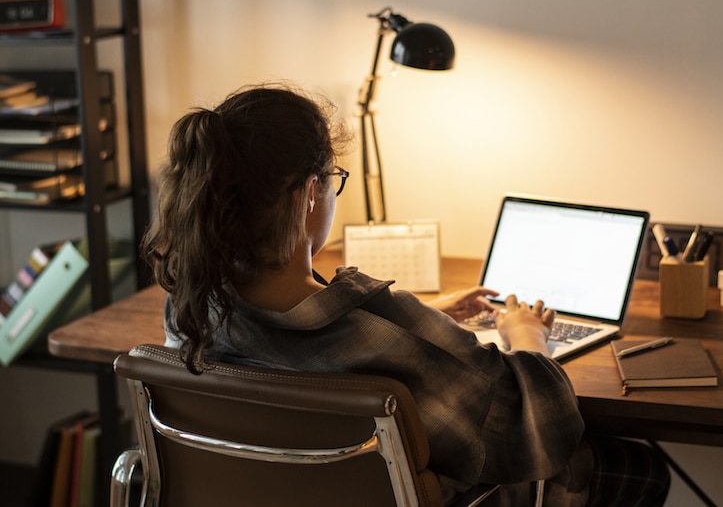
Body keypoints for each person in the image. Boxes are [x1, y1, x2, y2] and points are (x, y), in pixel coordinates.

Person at [142, 83, 670, 506]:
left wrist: (424, 320)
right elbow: (535, 427)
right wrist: (527, 336)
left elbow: (309, 346)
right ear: (309, 194)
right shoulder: (381, 329)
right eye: (333, 178)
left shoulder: (191, 308)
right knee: (642, 471)